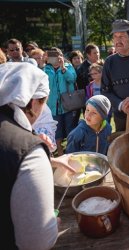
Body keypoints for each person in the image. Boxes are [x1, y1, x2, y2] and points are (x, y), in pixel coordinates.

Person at [0, 62, 61, 249]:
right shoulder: (29, 151)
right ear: (34, 104)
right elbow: (39, 241)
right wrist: (53, 227)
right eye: (44, 103)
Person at [44, 47, 77, 156]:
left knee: (70, 129)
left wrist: (63, 68)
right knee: (56, 131)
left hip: (67, 104)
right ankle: (60, 151)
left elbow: (72, 79)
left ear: (61, 57)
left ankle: (71, 150)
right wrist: (43, 62)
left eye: (57, 56)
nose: (55, 59)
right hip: (52, 105)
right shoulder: (45, 69)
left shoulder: (68, 67)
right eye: (52, 56)